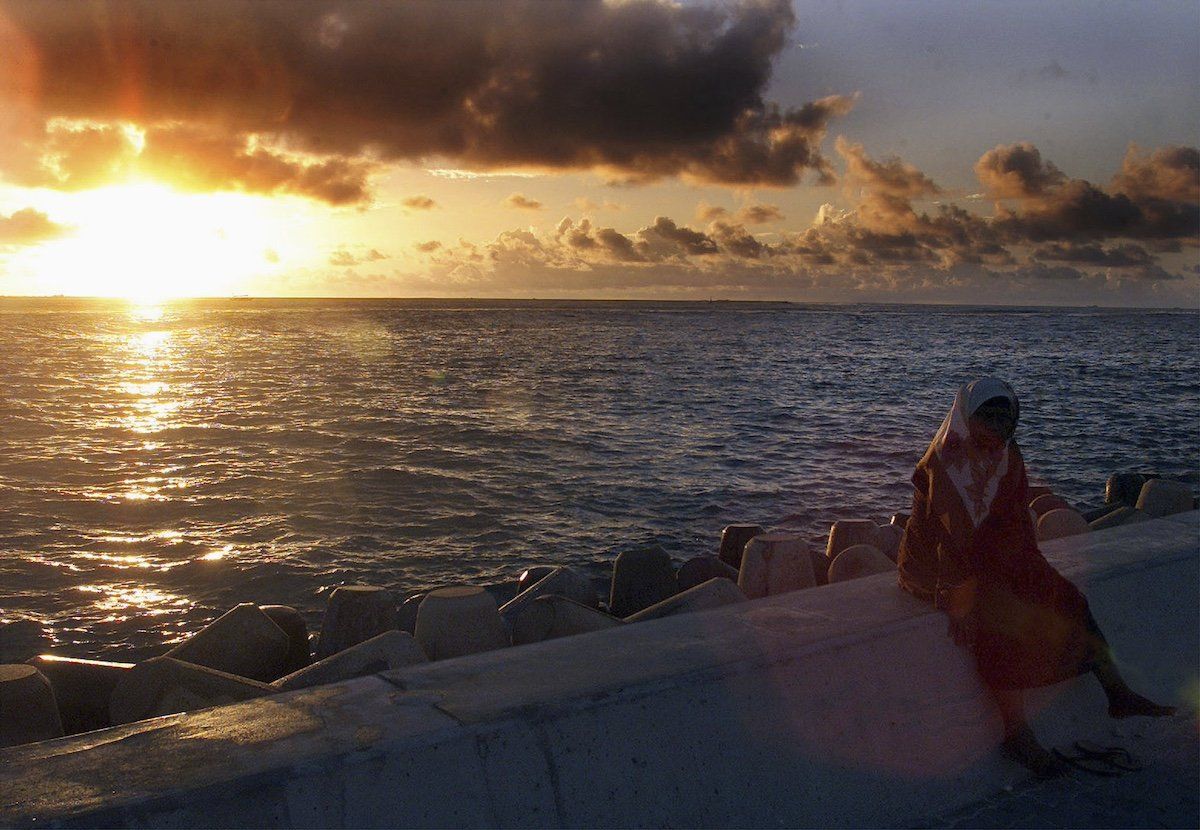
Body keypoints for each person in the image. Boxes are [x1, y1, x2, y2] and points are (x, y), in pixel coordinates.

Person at [896, 377, 1173, 777]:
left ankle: (1118, 692)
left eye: (1003, 417)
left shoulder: (1010, 455)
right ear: (966, 418)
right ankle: (1015, 734)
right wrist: (956, 596)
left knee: (1066, 597)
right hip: (938, 566)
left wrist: (1031, 565)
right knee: (998, 618)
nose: (996, 426)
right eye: (986, 417)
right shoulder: (947, 461)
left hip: (993, 555)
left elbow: (1014, 521)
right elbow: (946, 537)